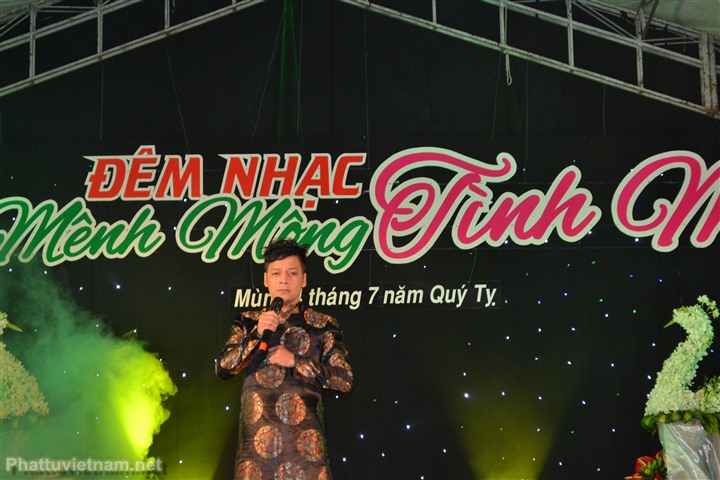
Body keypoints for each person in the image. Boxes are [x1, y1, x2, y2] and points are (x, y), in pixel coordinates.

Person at [216, 238, 353, 480]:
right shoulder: (248, 321)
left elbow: (344, 380)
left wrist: (295, 362)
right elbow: (223, 369)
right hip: (255, 455)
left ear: (304, 279)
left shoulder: (323, 324)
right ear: (266, 279)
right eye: (277, 273)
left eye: (292, 273)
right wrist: (257, 334)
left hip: (306, 453)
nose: (284, 279)